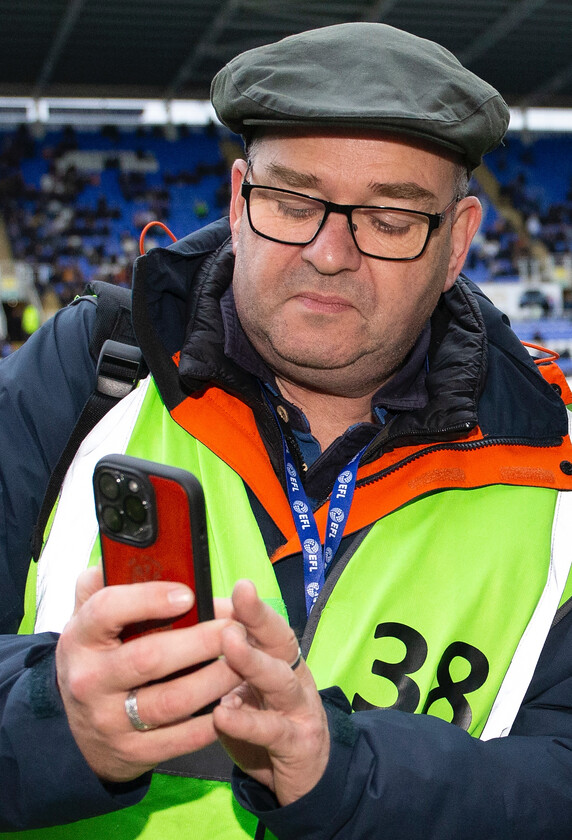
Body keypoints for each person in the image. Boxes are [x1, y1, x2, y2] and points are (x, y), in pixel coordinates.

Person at [1, 19, 572, 840]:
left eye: (389, 217)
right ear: (237, 201)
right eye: (293, 200)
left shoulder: (553, 465)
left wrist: (342, 772)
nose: (330, 252)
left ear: (458, 244)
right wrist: (58, 719)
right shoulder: (88, 373)